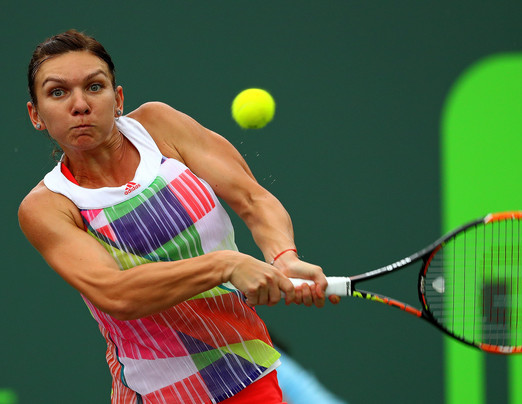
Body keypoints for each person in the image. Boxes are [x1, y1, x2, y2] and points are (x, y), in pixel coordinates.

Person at [19, 30, 339, 404]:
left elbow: (253, 198)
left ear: (117, 98)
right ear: (36, 115)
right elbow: (116, 293)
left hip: (248, 373)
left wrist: (284, 255)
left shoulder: (161, 126)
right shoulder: (48, 206)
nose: (80, 104)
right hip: (159, 395)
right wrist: (225, 265)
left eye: (94, 87)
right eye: (58, 92)